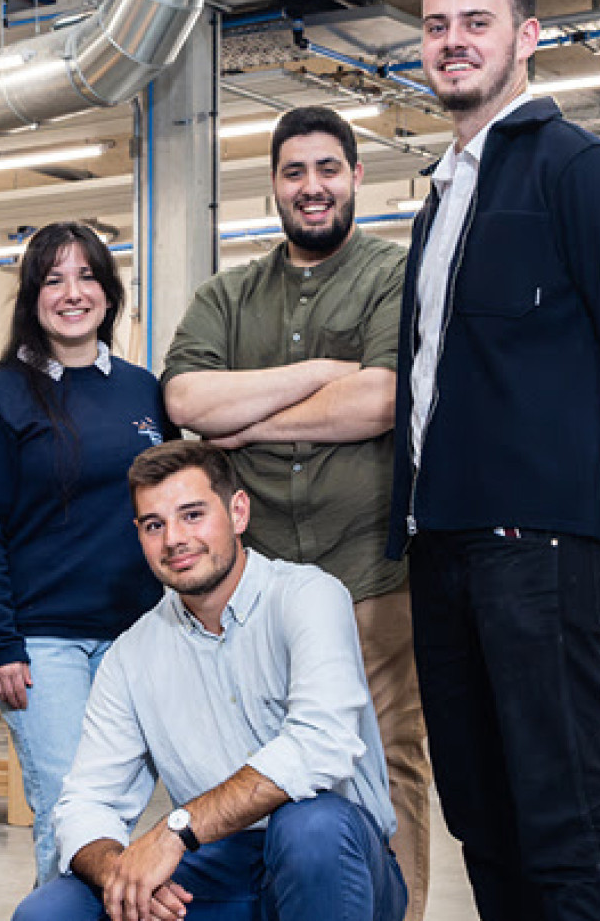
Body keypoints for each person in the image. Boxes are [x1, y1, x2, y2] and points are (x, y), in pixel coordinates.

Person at [389, 0, 600, 921]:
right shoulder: (443, 196)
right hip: (443, 551)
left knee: (566, 818)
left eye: (477, 22)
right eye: (437, 26)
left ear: (527, 38)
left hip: (538, 549)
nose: (453, 43)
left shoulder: (581, 172)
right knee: (484, 815)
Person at [162, 106, 431, 919]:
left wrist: (243, 421)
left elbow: (383, 396)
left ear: (356, 177)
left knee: (391, 761)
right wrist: (319, 374)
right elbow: (183, 394)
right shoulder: (228, 295)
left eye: (327, 169)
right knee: (260, 765)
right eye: (293, 172)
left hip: (373, 577)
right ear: (273, 185)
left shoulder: (395, 274)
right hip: (260, 587)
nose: (311, 188)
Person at [13, 440, 405, 921]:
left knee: (308, 826)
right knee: (52, 912)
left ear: (238, 512)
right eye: (154, 525)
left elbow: (321, 744)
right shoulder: (131, 656)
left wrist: (176, 829)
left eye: (193, 514)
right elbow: (85, 803)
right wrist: (124, 872)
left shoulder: (309, 598)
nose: (174, 539)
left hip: (337, 866)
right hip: (218, 870)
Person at [0, 221, 171, 884]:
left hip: (141, 636)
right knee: (70, 811)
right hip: (43, 645)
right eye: (53, 279)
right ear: (32, 296)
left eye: (86, 277)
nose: (72, 293)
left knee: (119, 816)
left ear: (109, 292)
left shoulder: (143, 390)